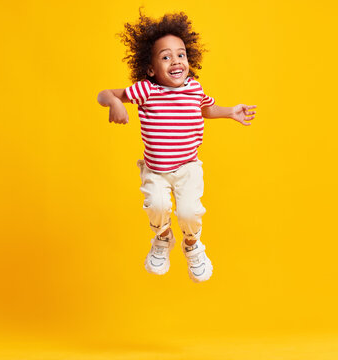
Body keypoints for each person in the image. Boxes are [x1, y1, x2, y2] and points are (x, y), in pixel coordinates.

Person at [97, 11, 257, 283]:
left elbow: (206, 109)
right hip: (156, 170)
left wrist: (231, 112)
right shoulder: (146, 91)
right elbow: (104, 95)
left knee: (189, 212)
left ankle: (193, 244)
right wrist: (114, 103)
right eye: (166, 56)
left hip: (187, 168)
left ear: (189, 59)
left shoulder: (194, 88)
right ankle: (163, 238)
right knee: (157, 206)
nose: (176, 61)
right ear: (151, 69)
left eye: (181, 54)